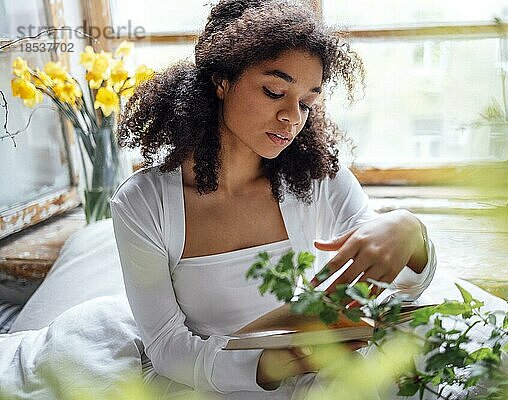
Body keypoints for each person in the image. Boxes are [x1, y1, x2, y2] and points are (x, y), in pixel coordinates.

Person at [110, 0, 437, 398]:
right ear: (221, 81)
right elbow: (165, 346)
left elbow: (393, 291)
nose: (292, 117)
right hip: (213, 381)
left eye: (306, 103)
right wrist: (274, 364)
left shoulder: (318, 179)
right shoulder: (144, 204)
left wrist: (409, 229)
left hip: (318, 374)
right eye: (274, 91)